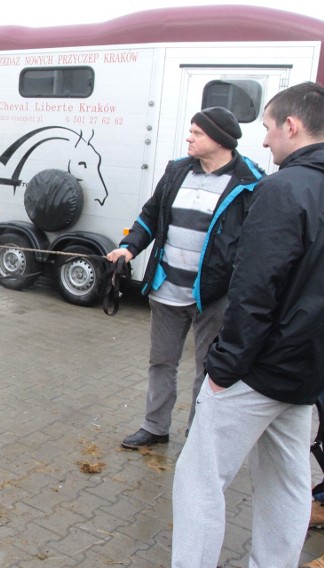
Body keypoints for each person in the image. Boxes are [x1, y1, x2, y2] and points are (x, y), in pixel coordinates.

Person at [171, 81, 324, 567]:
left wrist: (223, 368)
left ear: (292, 126)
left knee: (199, 476)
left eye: (268, 129)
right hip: (307, 376)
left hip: (256, 371)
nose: (264, 142)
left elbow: (254, 290)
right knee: (288, 481)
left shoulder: (281, 190)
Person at [107, 107, 264, 449]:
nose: (189, 138)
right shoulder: (177, 170)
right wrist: (128, 248)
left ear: (219, 140)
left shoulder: (250, 182)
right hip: (167, 288)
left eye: (197, 133)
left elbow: (255, 243)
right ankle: (155, 427)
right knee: (161, 361)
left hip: (214, 296)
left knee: (208, 370)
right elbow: (151, 215)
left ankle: (199, 436)